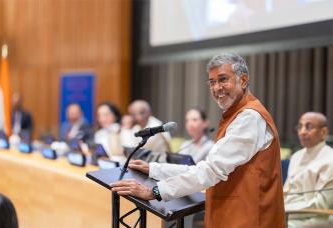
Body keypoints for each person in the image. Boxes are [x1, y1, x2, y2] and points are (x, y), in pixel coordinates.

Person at [111, 53, 285, 227]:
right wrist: (155, 169)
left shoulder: (249, 117)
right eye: (212, 82)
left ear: (243, 80)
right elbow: (205, 168)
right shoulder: (237, 115)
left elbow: (210, 171)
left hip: (251, 218)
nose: (217, 88)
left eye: (223, 79)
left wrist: (154, 191)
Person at [284, 112, 333, 227]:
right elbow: (285, 193)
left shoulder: (330, 159)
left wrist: (284, 211)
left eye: (309, 127)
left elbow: (321, 205)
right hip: (287, 213)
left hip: (316, 217)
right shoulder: (296, 156)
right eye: (300, 126)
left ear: (324, 132)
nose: (302, 132)